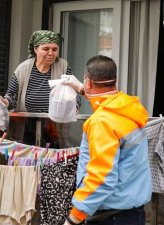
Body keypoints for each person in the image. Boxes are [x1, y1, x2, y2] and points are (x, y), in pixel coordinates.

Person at [62, 55, 152, 225]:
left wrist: (73, 218)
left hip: (111, 217)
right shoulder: (126, 107)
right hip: (132, 212)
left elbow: (102, 178)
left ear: (89, 82)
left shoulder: (101, 122)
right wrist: (81, 88)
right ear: (115, 80)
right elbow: (105, 99)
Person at [0, 30, 81, 147]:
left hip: (54, 132)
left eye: (54, 49)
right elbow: (11, 97)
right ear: (35, 49)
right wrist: (2, 101)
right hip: (25, 132)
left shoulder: (63, 66)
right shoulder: (23, 69)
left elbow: (76, 93)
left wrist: (74, 107)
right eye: (46, 49)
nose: (51, 53)